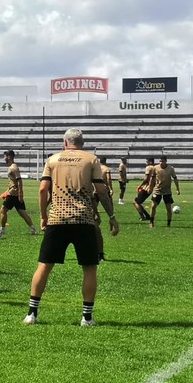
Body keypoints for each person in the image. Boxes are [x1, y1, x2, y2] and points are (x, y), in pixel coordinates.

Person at [24, 128, 119, 326]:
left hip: (57, 219)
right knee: (89, 268)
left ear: (64, 142)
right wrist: (111, 216)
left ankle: (32, 314)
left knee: (44, 265)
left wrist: (43, 216)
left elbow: (43, 189)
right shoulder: (91, 160)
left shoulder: (52, 159)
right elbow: (101, 190)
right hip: (84, 220)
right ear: (82, 143)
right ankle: (87, 317)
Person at [0, 149, 36, 234]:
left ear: (9, 157)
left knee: (3, 210)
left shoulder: (13, 168)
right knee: (21, 212)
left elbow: (19, 181)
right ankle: (32, 228)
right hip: (13, 193)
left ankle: (2, 229)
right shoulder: (12, 167)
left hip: (13, 194)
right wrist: (7, 191)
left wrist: (20, 194)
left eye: (5, 156)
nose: (4, 158)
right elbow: (13, 181)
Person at [148, 155, 181, 228]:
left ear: (166, 161)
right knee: (153, 206)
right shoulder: (155, 168)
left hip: (167, 191)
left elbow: (175, 178)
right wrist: (150, 187)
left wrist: (177, 189)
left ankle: (168, 224)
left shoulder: (171, 169)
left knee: (168, 208)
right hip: (157, 190)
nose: (161, 162)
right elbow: (152, 178)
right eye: (160, 161)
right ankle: (151, 222)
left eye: (162, 161)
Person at [133, 157, 155, 222]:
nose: (146, 163)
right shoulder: (155, 168)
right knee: (137, 202)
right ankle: (147, 216)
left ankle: (143, 216)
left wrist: (140, 186)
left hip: (146, 188)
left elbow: (146, 179)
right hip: (151, 188)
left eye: (147, 162)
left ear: (150, 162)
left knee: (136, 202)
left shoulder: (149, 168)